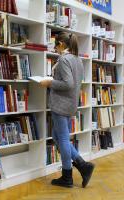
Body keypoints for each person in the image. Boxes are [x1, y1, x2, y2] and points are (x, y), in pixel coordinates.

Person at [40, 32, 95, 188]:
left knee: (62, 139)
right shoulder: (77, 59)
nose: (55, 49)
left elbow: (68, 84)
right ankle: (83, 165)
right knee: (57, 136)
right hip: (70, 103)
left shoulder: (64, 59)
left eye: (55, 46)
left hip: (60, 104)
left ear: (61, 45)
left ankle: (67, 177)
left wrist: (50, 82)